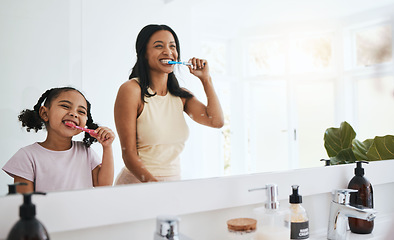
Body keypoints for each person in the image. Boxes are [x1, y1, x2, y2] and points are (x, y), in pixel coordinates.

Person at [114, 24, 224, 184]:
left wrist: (206, 79)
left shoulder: (181, 96)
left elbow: (216, 121)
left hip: (172, 184)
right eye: (159, 46)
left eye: (172, 46)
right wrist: (157, 187)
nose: (168, 52)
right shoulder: (131, 90)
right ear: (144, 53)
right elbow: (128, 154)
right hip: (137, 185)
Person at [2, 87, 115, 193]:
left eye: (81, 112)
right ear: (45, 113)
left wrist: (107, 147)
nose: (73, 114)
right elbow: (24, 202)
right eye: (65, 106)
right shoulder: (27, 156)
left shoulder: (85, 152)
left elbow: (104, 185)